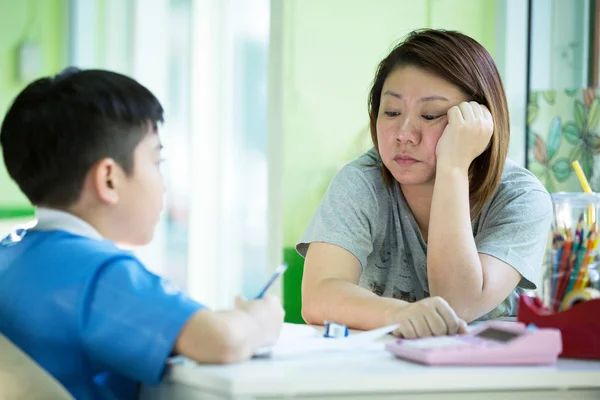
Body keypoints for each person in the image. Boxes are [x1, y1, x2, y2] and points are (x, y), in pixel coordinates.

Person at [0, 67, 284, 400]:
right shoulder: (99, 273)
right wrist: (259, 320)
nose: (163, 183)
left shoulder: (11, 255)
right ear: (109, 179)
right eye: (156, 161)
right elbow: (222, 341)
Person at [297, 29, 552, 338]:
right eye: (391, 112)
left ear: (479, 122)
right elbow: (318, 296)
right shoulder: (361, 182)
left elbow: (457, 304)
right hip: (385, 370)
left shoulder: (521, 198)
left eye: (430, 115)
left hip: (490, 376)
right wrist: (399, 314)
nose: (404, 133)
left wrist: (454, 167)